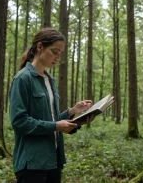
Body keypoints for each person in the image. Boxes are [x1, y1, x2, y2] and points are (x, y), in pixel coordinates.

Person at [9, 28, 93, 183]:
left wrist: (72, 112)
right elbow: (19, 121)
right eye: (54, 51)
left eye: (60, 53)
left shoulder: (50, 80)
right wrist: (55, 126)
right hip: (32, 163)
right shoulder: (22, 79)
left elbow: (51, 119)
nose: (57, 57)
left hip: (53, 160)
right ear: (40, 47)